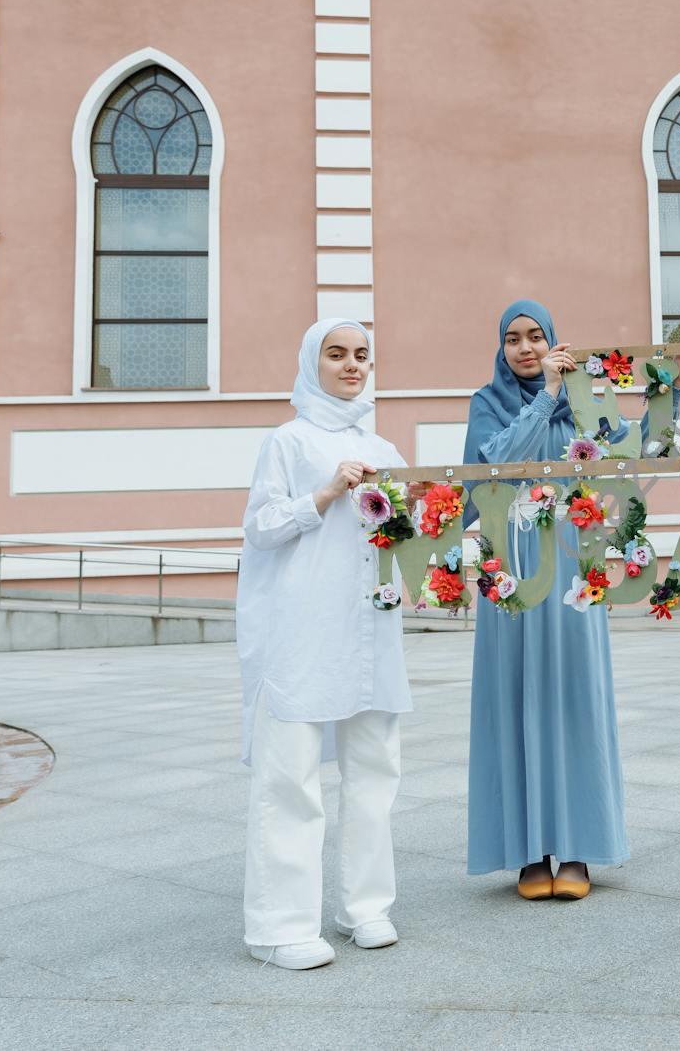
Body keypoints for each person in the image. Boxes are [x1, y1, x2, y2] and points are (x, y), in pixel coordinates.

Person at [461, 300, 680, 899]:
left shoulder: (586, 405)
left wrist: (671, 390)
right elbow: (497, 466)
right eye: (513, 338)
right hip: (511, 560)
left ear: (554, 341)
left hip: (571, 558)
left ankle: (578, 850)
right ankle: (526, 853)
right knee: (513, 696)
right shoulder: (487, 405)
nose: (525, 348)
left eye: (536, 336)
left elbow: (640, 449)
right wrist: (545, 394)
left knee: (573, 694)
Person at [237, 318, 411, 969]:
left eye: (362, 354)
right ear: (314, 361)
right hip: (302, 627)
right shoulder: (285, 441)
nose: (351, 365)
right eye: (337, 354)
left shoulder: (385, 447)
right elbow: (260, 526)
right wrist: (327, 491)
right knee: (291, 772)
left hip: (370, 624)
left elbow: (406, 532)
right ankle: (280, 925)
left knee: (375, 769)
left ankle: (366, 905)